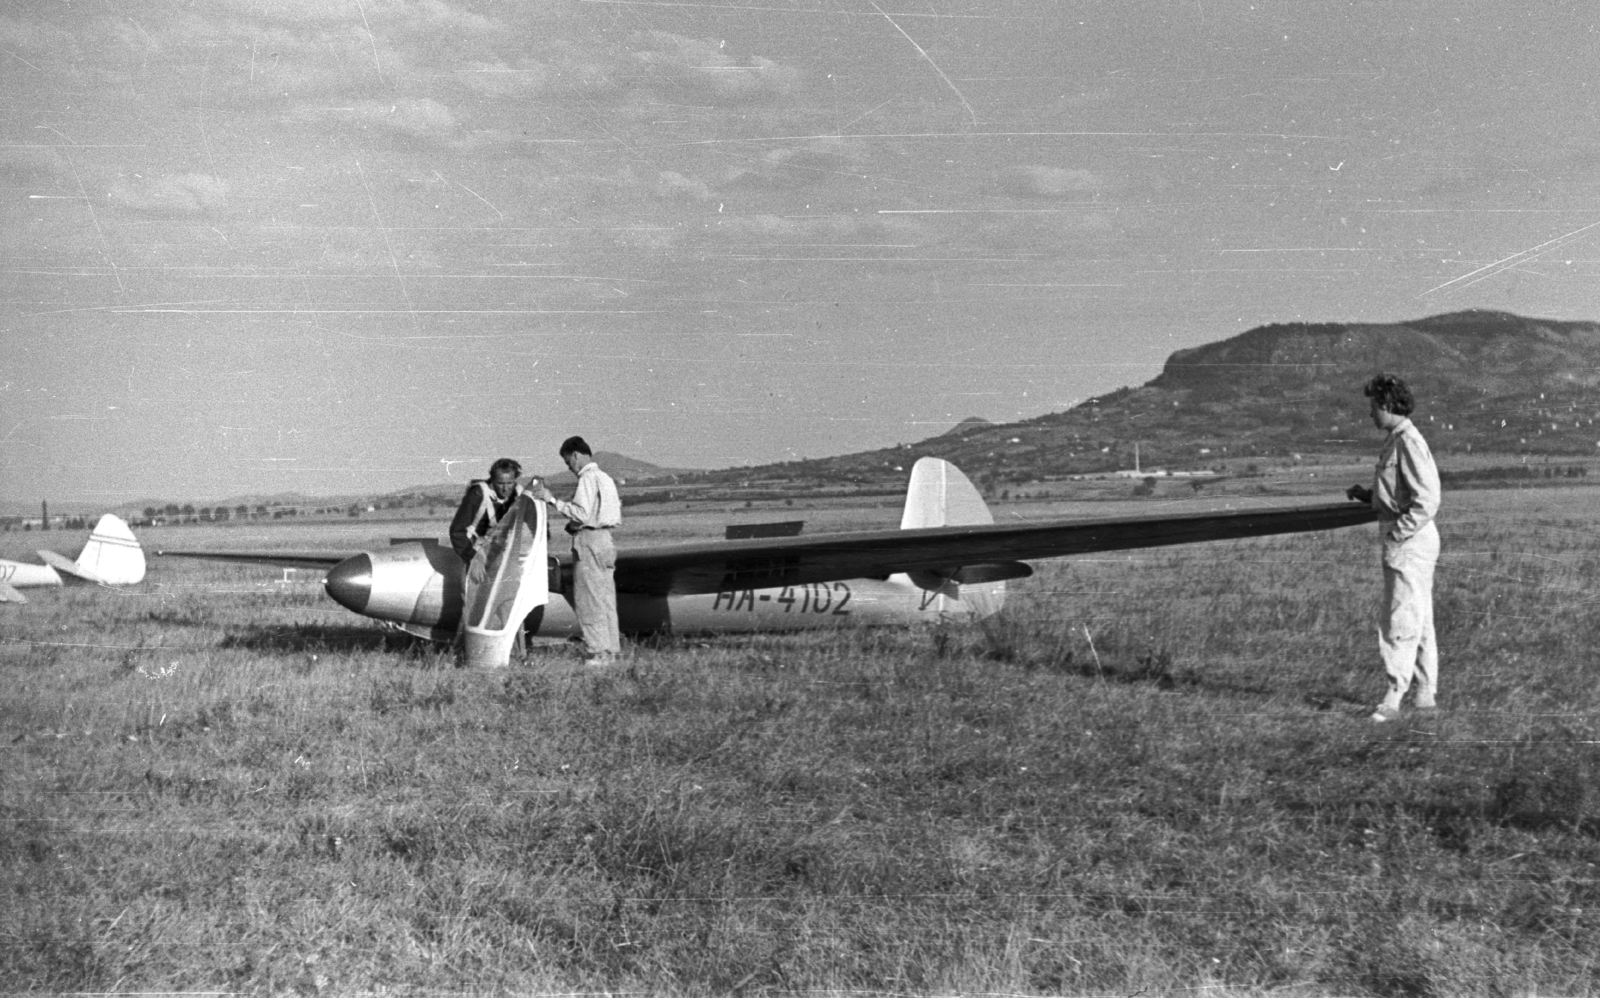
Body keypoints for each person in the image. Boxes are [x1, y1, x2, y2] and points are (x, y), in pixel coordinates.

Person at [1346, 374, 1441, 723]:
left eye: (1373, 406)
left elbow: (1427, 499)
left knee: (1400, 618)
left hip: (1408, 540)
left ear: (1387, 405)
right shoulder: (1398, 440)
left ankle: (1393, 697)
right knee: (1419, 617)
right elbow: (1398, 494)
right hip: (1411, 538)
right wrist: (1368, 497)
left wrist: (1397, 535)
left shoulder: (1408, 442)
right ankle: (1424, 694)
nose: (1370, 413)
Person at [532, 437, 622, 663]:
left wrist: (552, 500)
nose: (569, 467)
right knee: (606, 600)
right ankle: (610, 651)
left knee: (589, 601)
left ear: (575, 455)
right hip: (606, 541)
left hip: (589, 541)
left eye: (568, 462)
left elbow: (582, 514)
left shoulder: (587, 479)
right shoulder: (605, 478)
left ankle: (598, 652)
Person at [450, 459, 526, 653]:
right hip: (478, 554)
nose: (505, 488)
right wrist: (472, 558)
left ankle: (515, 654)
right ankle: (464, 653)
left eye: (510, 483)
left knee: (510, 605)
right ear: (492, 479)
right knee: (473, 607)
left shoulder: (520, 494)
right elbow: (457, 531)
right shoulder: (478, 494)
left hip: (505, 556)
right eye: (500, 483)